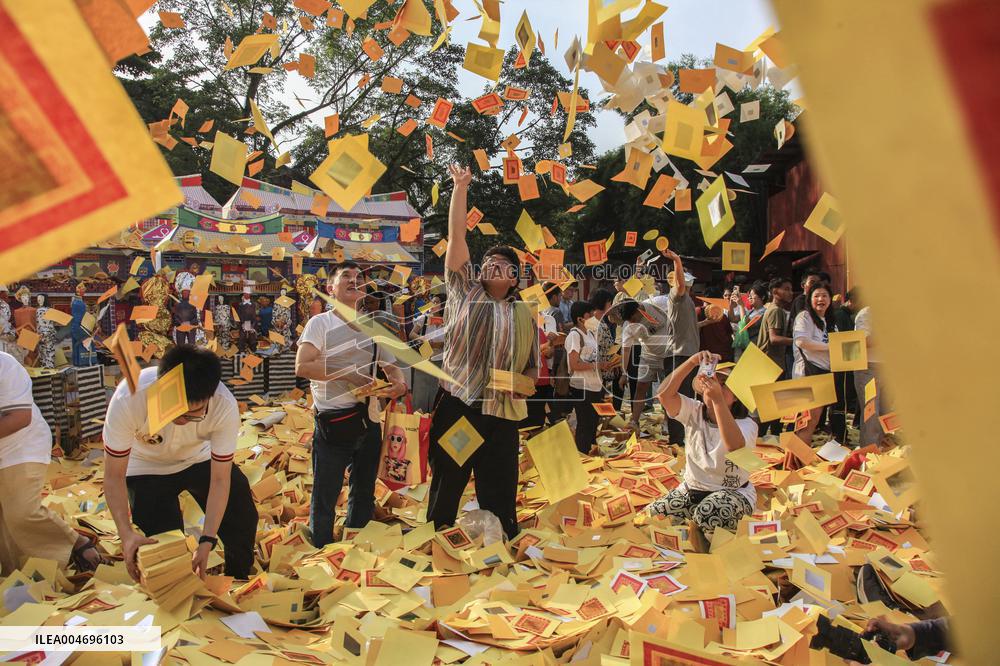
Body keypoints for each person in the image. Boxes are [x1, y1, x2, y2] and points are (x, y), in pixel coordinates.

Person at [427, 164, 538, 540]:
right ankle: (436, 541)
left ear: (514, 279)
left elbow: (533, 368)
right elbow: (457, 234)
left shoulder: (524, 313)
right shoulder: (465, 290)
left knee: (501, 486)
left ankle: (501, 543)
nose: (494, 265)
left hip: (503, 415)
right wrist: (461, 188)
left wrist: (526, 385)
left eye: (504, 264)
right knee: (449, 482)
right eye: (489, 261)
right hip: (462, 408)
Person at [103, 345, 258, 580]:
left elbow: (219, 478)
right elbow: (113, 475)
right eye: (175, 412)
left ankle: (238, 577)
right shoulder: (130, 398)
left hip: (199, 457)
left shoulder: (224, 405)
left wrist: (207, 539)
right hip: (146, 465)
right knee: (164, 547)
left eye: (193, 414)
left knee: (241, 512)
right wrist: (125, 533)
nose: (183, 420)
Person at [295, 262, 408, 547]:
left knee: (364, 490)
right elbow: (303, 366)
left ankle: (355, 545)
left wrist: (398, 384)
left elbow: (392, 368)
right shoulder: (320, 323)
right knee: (326, 492)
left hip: (369, 421)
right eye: (345, 276)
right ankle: (321, 547)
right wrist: (347, 375)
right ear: (331, 289)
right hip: (334, 421)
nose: (354, 281)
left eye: (359, 278)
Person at [0, 351, 103, 574]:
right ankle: (18, 573)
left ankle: (75, 543)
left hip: (22, 446)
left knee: (22, 511)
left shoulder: (4, 365)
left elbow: (19, 417)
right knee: (5, 521)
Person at [647, 352, 758, 537]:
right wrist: (691, 362)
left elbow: (735, 447)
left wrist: (717, 401)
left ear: (736, 396)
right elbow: (664, 395)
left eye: (723, 385)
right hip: (692, 490)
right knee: (652, 516)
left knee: (708, 515)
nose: (715, 387)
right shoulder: (694, 410)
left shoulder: (747, 424)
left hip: (734, 493)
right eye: (711, 381)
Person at [792, 282, 844, 443]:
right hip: (807, 374)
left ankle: (800, 457)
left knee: (813, 421)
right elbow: (801, 342)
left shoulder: (829, 321)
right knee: (806, 421)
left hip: (824, 374)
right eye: (816, 296)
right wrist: (830, 347)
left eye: (824, 295)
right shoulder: (805, 317)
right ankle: (795, 459)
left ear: (830, 299)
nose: (820, 299)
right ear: (809, 298)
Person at [657, 249, 700, 446]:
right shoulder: (677, 295)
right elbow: (680, 283)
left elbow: (687, 327)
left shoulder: (688, 301)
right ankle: (676, 441)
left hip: (686, 354)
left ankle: (682, 439)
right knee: (677, 398)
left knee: (686, 399)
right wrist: (676, 259)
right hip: (678, 355)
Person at [566, 301, 615, 454]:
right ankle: (583, 454)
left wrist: (606, 364)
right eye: (589, 314)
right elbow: (574, 364)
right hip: (582, 386)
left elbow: (593, 358)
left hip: (595, 385)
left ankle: (590, 453)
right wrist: (597, 365)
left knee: (593, 422)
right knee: (584, 423)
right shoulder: (574, 335)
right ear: (580, 318)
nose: (593, 316)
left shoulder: (591, 333)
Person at [757, 278, 794, 435]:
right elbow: (774, 338)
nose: (790, 293)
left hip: (770, 364)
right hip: (772, 364)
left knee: (770, 410)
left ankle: (767, 439)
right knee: (772, 409)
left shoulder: (771, 309)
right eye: (786, 288)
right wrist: (798, 341)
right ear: (775, 292)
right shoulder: (776, 311)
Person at [853, 297, 891, 447]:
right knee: (871, 415)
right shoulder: (866, 314)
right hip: (868, 368)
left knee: (886, 413)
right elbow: (864, 340)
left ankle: (883, 451)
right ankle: (869, 454)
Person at [408, 295, 446, 413]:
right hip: (424, 358)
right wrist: (423, 339)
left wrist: (439, 345)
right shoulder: (424, 318)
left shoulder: (449, 320)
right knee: (420, 390)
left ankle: (433, 417)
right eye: (432, 301)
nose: (432, 304)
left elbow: (453, 340)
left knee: (435, 390)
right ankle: (418, 417)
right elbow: (412, 334)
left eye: (436, 302)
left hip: (441, 360)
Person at [732, 282, 768, 361]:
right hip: (746, 347)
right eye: (749, 296)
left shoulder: (764, 312)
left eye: (752, 295)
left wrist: (741, 305)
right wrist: (731, 305)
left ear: (762, 297)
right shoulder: (751, 311)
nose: (749, 298)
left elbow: (745, 323)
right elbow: (733, 319)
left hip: (755, 348)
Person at [70, 283, 91, 366]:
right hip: (79, 325)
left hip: (76, 325)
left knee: (76, 345)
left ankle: (76, 362)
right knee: (80, 345)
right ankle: (80, 362)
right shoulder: (78, 303)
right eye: (83, 290)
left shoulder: (76, 301)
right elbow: (79, 316)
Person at [34, 294, 57, 369]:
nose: (39, 300)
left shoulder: (46, 310)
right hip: (42, 334)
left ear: (45, 299)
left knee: (47, 353)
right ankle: (47, 369)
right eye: (38, 299)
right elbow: (38, 323)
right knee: (43, 353)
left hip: (47, 334)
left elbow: (50, 323)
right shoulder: (38, 310)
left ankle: (48, 369)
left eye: (41, 299)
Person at [235, 288, 258, 353]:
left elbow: (254, 315)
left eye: (248, 294)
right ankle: (241, 351)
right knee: (242, 338)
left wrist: (253, 325)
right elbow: (238, 315)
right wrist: (241, 324)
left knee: (252, 338)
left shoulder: (253, 304)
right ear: (243, 294)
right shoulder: (240, 305)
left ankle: (253, 351)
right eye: (245, 293)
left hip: (251, 323)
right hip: (243, 323)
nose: (247, 295)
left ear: (250, 295)